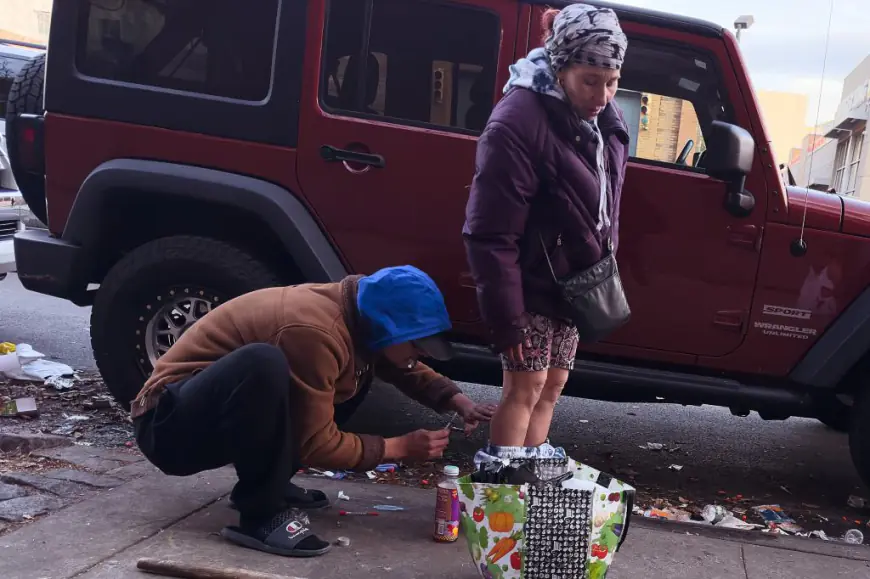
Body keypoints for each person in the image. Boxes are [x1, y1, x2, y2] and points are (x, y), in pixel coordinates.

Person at [129, 266, 496, 557]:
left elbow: (400, 362)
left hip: (204, 413)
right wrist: (397, 448)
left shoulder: (358, 317)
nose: (423, 354)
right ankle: (260, 514)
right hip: (168, 427)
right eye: (418, 344)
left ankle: (269, 484)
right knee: (263, 365)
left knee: (352, 374)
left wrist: (455, 399)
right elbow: (316, 444)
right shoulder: (312, 331)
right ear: (386, 326)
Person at [463, 4, 630, 472]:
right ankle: (502, 496)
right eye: (590, 81)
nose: (602, 95)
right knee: (525, 387)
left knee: (553, 385)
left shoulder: (601, 118)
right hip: (531, 285)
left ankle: (529, 481)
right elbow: (489, 232)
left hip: (572, 283)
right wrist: (506, 317)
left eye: (612, 81)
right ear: (561, 67)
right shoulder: (517, 121)